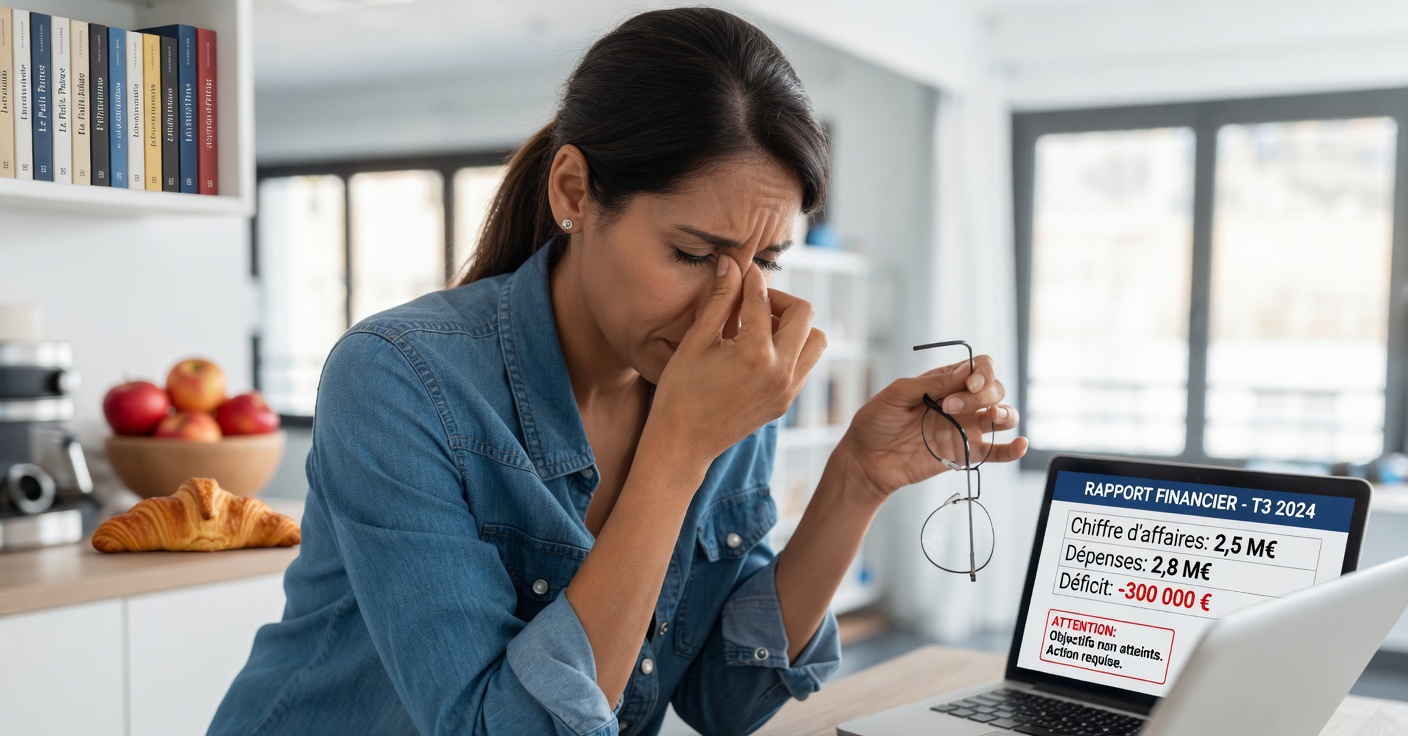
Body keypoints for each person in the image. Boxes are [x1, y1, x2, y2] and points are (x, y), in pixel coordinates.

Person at [208, 7, 1026, 736]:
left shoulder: (721, 377)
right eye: (693, 253)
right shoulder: (398, 380)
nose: (732, 307)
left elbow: (725, 701)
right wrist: (677, 454)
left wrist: (857, 479)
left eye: (766, 261)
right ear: (575, 190)